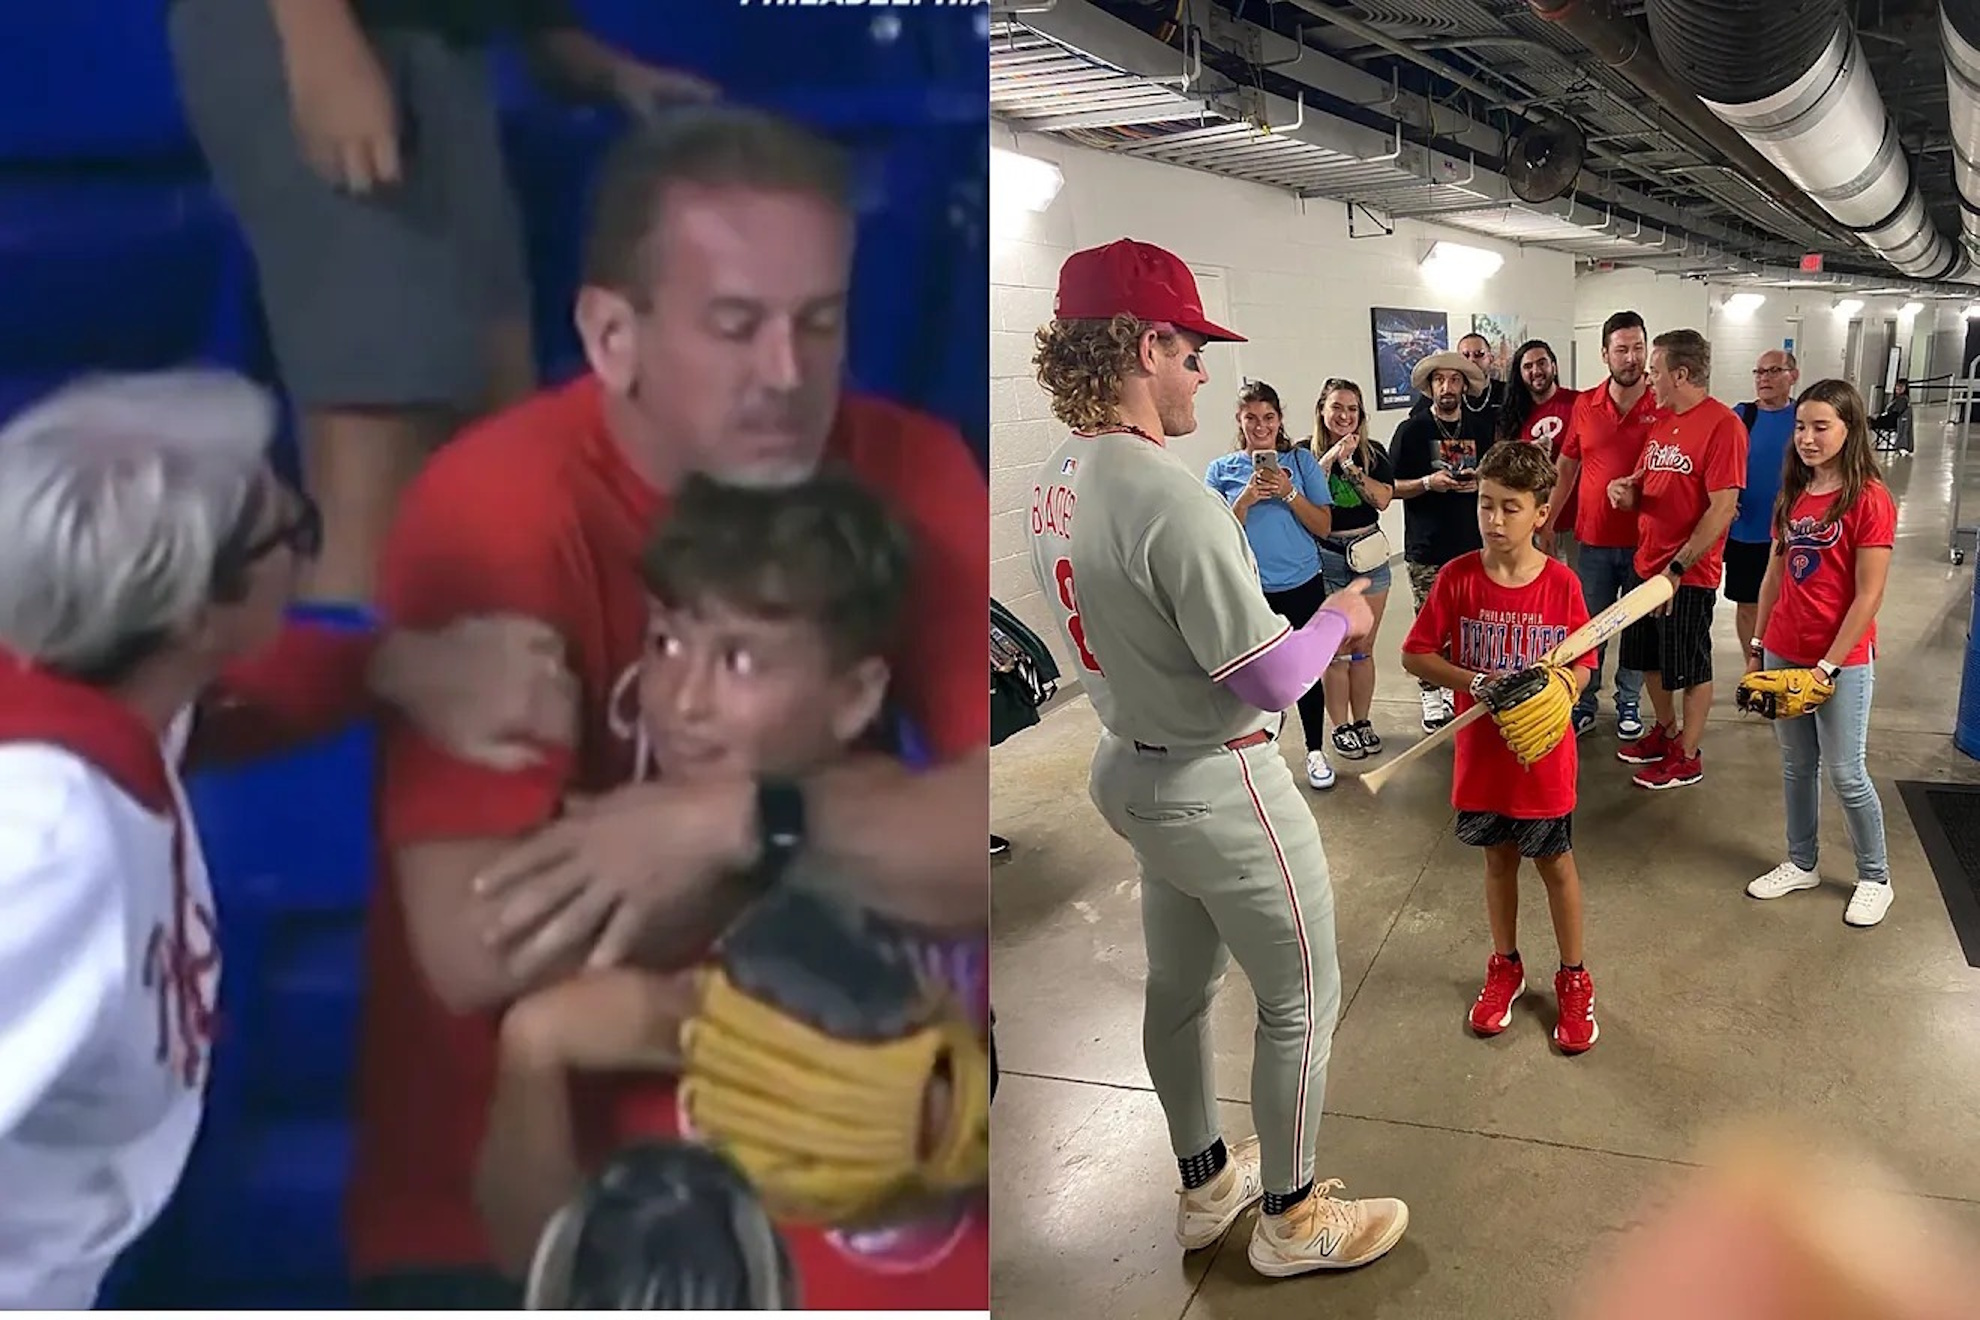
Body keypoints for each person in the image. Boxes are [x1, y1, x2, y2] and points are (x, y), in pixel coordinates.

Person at [344, 105, 990, 1308]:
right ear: (611, 334)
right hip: (521, 1202)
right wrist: (863, 822)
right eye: (736, 327)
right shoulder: (498, 505)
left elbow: (998, 838)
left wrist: (735, 822)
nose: (787, 374)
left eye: (820, 322)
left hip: (820, 1168)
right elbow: (479, 949)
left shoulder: (911, 464)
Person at [0, 370, 574, 1309]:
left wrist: (390, 665)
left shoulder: (108, 691)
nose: (311, 564)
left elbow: (246, 694)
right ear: (193, 613)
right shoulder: (44, 844)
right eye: (293, 537)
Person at [474, 471, 986, 1307]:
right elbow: (531, 1264)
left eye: (740, 660)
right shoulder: (610, 862)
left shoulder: (915, 860)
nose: (683, 700)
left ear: (856, 696)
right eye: (667, 642)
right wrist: (536, 1052)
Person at [1026, 236, 1408, 1279]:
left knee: (1181, 986)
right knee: (1302, 999)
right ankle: (1292, 1217)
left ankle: (1206, 1186)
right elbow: (1271, 677)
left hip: (1131, 767)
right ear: (1146, 347)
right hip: (1219, 778)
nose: (1203, 375)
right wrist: (1339, 615)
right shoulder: (1168, 495)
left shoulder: (1058, 475)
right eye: (1193, 354)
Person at [168, 0, 719, 604]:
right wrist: (317, 37)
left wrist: (552, 34)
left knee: (493, 445)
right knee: (385, 461)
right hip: (340, 39)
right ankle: (334, 666)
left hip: (440, 48)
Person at [1399, 443, 1599, 1054]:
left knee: (1555, 865)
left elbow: (1584, 661)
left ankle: (1573, 978)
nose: (1494, 519)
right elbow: (1415, 654)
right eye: (1486, 504)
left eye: (1510, 507)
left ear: (1540, 513)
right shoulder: (1457, 578)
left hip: (1542, 760)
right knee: (1497, 861)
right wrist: (1476, 680)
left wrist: (1564, 687)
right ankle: (1505, 964)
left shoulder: (1562, 584)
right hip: (1483, 758)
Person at [1740, 380, 1897, 928]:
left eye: (1821, 427)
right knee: (1796, 765)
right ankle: (1802, 862)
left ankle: (1875, 877)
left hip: (1842, 661)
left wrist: (1828, 666)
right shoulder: (1793, 493)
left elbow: (1869, 594)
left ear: (1849, 429)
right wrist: (1758, 648)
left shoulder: (1869, 498)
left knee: (1847, 772)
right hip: (1784, 650)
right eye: (1801, 427)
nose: (1807, 438)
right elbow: (1773, 577)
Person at [1605, 329, 1746, 791]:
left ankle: (1688, 755)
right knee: (1646, 658)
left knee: (1690, 667)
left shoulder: (1723, 425)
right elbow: (1644, 487)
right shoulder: (1662, 421)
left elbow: (1722, 508)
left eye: (1655, 371)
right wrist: (1624, 492)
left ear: (1680, 374)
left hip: (1687, 574)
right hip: (1647, 564)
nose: (1649, 379)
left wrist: (1677, 569)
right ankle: (1666, 733)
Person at [1204, 382, 1336, 788]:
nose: (1260, 426)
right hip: (1250, 588)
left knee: (1305, 671)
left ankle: (1314, 750)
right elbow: (1214, 536)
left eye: (1268, 417)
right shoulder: (1220, 470)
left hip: (1302, 583)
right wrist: (1244, 500)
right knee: (1254, 676)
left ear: (1280, 420)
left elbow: (1324, 526)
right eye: (1251, 418)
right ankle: (1261, 754)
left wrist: (1289, 492)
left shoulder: (1301, 462)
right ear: (1239, 421)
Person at [1547, 311, 1658, 741]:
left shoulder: (1662, 404)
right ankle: (1585, 701)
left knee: (1637, 627)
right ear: (1604, 355)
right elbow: (1567, 466)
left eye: (1638, 348)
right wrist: (1548, 519)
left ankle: (1628, 699)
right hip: (1592, 540)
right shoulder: (1586, 404)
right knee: (1590, 626)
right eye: (1621, 349)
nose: (1631, 358)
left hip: (1646, 542)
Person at [1391, 349, 1493, 732]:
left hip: (1473, 545)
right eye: (1439, 380)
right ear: (1430, 387)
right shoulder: (1412, 431)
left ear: (1464, 385)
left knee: (1469, 625)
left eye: (1454, 380)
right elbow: (1390, 487)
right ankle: (1430, 693)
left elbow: (1497, 477)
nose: (1446, 387)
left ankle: (1456, 688)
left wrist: (1480, 482)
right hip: (1427, 547)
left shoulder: (1482, 428)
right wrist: (1426, 483)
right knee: (1430, 625)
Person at [1309, 378, 1395, 761]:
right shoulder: (1304, 453)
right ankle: (1340, 726)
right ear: (1322, 410)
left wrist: (1350, 464)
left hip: (1369, 557)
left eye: (1352, 409)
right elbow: (1307, 496)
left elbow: (1382, 499)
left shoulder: (1373, 453)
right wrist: (1330, 458)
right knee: (1335, 650)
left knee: (1362, 648)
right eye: (1337, 407)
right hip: (1327, 558)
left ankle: (1362, 721)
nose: (1344, 416)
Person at [1724, 350, 1799, 659]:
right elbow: (1716, 463)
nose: (1764, 378)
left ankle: (1784, 662)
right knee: (1748, 604)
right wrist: (1724, 500)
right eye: (1759, 372)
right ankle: (1754, 665)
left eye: (1773, 371)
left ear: (1793, 376)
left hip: (1793, 530)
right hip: (1748, 530)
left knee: (1789, 602)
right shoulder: (1741, 417)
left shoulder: (1803, 418)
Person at [1498, 339, 1579, 561]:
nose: (1536, 371)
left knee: (1577, 582)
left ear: (1554, 366)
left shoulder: (1578, 403)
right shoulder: (1514, 415)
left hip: (1575, 520)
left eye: (1542, 363)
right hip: (1532, 522)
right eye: (1528, 366)